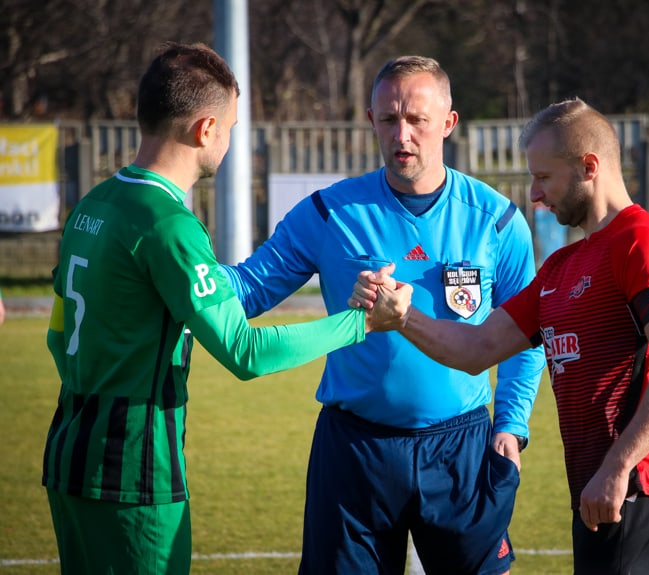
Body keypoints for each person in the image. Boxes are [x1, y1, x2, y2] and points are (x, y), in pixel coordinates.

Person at [42, 42, 408, 575]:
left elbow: (57, 335)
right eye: (233, 127)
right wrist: (362, 322)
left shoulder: (92, 205)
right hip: (133, 471)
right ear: (206, 129)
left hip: (69, 453)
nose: (232, 140)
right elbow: (246, 352)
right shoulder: (168, 224)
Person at [354, 98, 649, 575]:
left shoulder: (639, 241)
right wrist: (401, 315)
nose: (535, 194)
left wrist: (618, 466)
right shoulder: (562, 266)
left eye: (544, 177)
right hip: (598, 489)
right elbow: (477, 349)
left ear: (589, 167)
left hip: (637, 487)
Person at [221, 55, 545, 574]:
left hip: (461, 446)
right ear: (371, 120)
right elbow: (247, 289)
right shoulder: (329, 213)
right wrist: (177, 267)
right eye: (389, 119)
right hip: (355, 450)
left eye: (417, 119)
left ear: (447, 123)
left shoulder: (498, 222)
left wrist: (511, 424)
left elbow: (527, 337)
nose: (403, 134)